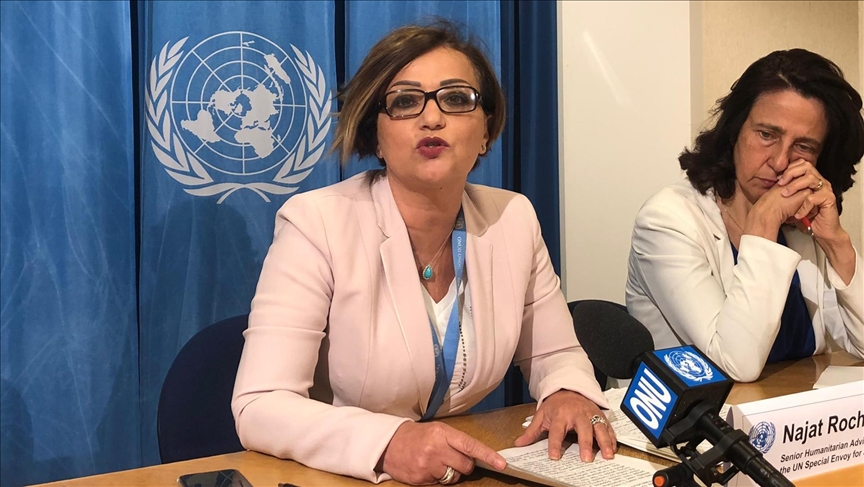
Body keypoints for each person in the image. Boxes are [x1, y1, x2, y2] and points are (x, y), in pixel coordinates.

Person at [232, 23, 615, 485]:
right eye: (404, 102)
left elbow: (555, 352)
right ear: (376, 135)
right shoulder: (317, 224)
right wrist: (387, 442)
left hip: (457, 472)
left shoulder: (513, 217)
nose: (431, 118)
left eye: (456, 98)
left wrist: (568, 392)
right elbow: (260, 404)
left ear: (486, 130)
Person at [626, 48, 864, 383]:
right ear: (734, 130)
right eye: (767, 135)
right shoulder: (667, 220)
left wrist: (835, 241)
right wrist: (762, 228)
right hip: (704, 413)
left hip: (797, 409)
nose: (780, 162)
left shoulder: (800, 223)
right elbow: (734, 363)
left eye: (803, 146)